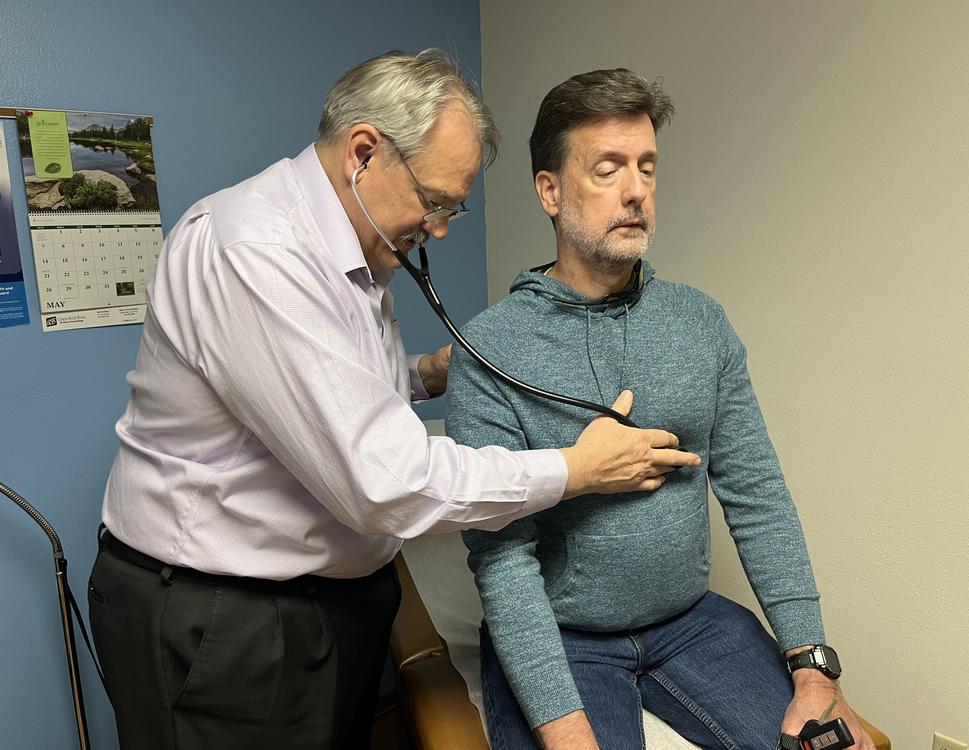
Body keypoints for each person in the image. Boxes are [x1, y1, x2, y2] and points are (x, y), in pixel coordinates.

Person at [87, 51, 697, 750]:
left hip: (329, 605)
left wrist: (421, 374)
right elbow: (387, 482)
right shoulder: (256, 251)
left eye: (452, 209)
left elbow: (312, 390)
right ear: (364, 153)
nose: (439, 229)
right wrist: (574, 470)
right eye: (435, 201)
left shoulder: (351, 248)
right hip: (225, 618)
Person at [447, 68, 875, 750]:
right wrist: (564, 727)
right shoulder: (491, 349)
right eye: (608, 169)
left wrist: (811, 662)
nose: (636, 190)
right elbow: (503, 559)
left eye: (647, 167)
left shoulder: (700, 324)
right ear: (550, 191)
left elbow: (757, 495)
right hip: (564, 638)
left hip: (692, 622)